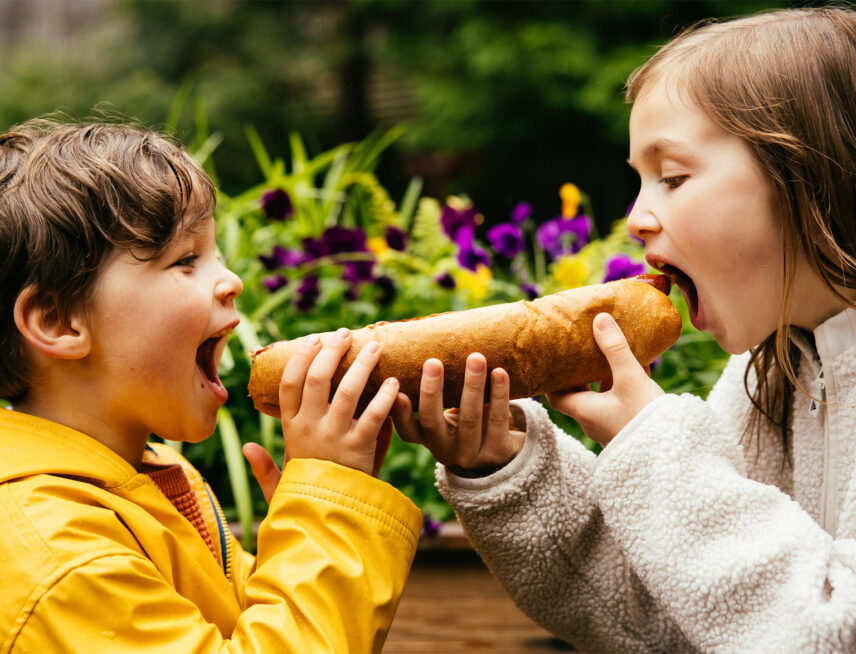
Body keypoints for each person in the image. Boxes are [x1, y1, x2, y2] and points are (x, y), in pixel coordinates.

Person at [390, 7, 856, 653]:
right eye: (641, 181)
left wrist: (655, 443)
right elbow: (663, 620)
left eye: (673, 177)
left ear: (808, 175)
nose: (637, 218)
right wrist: (510, 468)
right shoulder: (770, 368)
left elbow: (825, 636)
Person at [0, 118, 422, 653]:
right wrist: (328, 511)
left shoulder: (153, 478)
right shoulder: (54, 548)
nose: (232, 280)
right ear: (59, 322)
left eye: (215, 253)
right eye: (186, 260)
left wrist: (306, 517)